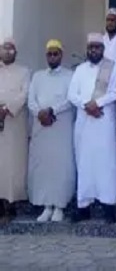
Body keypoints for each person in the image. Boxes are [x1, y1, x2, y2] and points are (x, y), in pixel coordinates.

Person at [68, 33, 116, 223]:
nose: (94, 50)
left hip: (104, 122)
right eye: (91, 47)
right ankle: (84, 206)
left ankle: (108, 207)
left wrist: (97, 103)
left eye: (97, 47)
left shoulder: (112, 68)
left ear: (103, 49)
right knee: (85, 164)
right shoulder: (80, 70)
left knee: (106, 164)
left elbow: (114, 92)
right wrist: (86, 105)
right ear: (87, 49)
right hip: (85, 124)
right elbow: (72, 94)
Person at [27, 39, 75, 223]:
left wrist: (52, 110)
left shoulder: (69, 76)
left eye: (56, 53)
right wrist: (40, 113)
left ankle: (59, 206)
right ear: (46, 56)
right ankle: (46, 206)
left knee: (61, 166)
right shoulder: (38, 76)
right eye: (50, 54)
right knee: (44, 167)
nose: (53, 57)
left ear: (61, 55)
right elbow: (31, 100)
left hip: (61, 127)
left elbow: (70, 99)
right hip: (42, 127)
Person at [0, 38, 30, 222]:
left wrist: (7, 109)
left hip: (14, 122)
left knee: (12, 165)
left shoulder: (24, 72)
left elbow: (24, 94)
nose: (8, 51)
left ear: (16, 53)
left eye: (11, 49)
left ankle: (10, 207)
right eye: (5, 48)